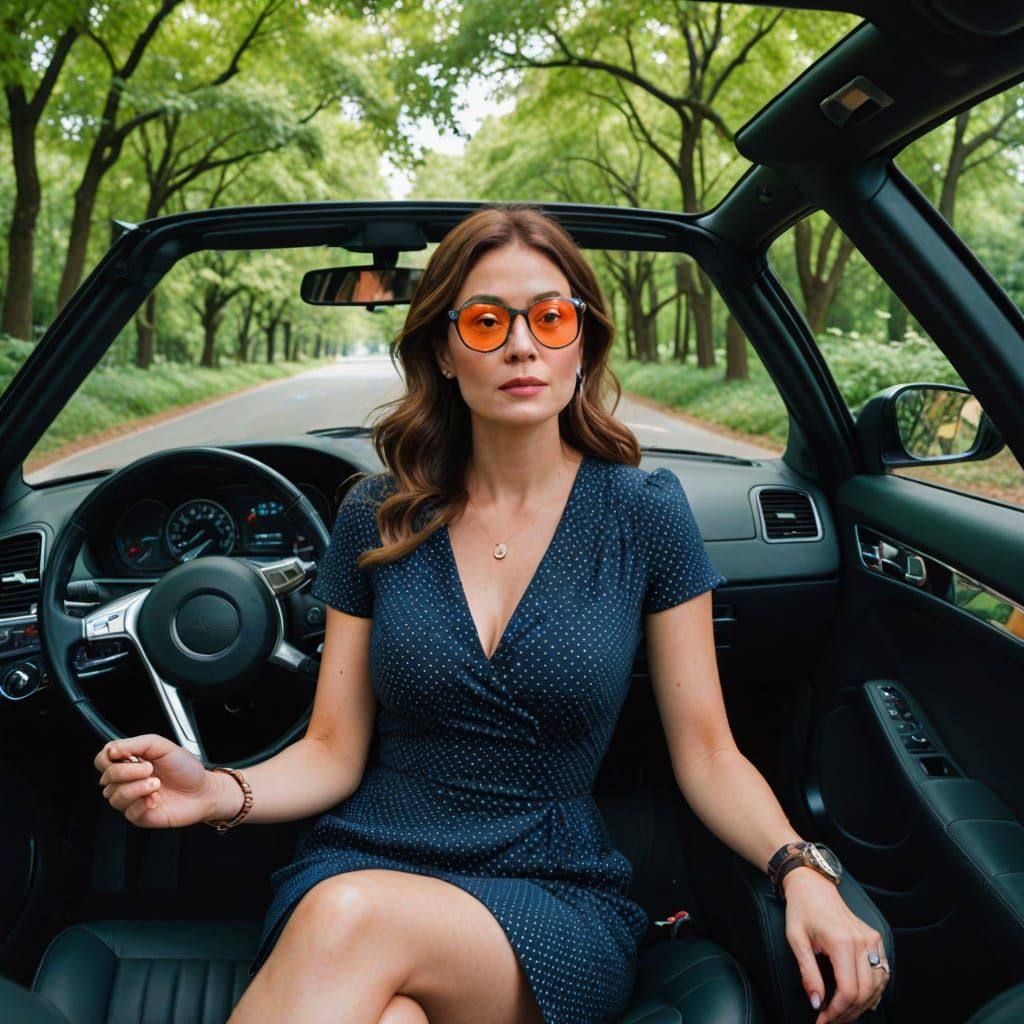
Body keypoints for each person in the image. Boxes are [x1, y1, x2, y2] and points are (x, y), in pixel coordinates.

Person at [95, 205, 889, 1024]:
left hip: (547, 889)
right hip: (366, 855)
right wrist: (218, 790)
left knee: (347, 919)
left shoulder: (644, 511)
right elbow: (332, 749)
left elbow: (710, 753)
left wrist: (801, 868)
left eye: (549, 318)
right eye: (485, 321)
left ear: (581, 341)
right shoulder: (376, 515)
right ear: (443, 349)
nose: (521, 345)